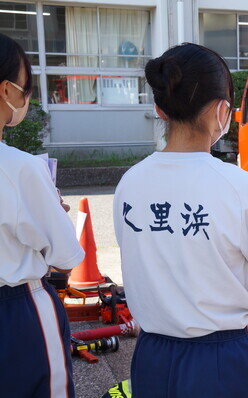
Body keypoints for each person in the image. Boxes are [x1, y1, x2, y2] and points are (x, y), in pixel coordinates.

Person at [113, 43, 248, 398]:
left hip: (153, 355)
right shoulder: (242, 186)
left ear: (158, 108)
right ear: (221, 111)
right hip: (227, 358)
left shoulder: (130, 182)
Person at [0, 33, 84, 397]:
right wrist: (56, 214)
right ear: (6, 90)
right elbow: (65, 257)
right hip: (16, 312)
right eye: (26, 87)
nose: (26, 98)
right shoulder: (18, 168)